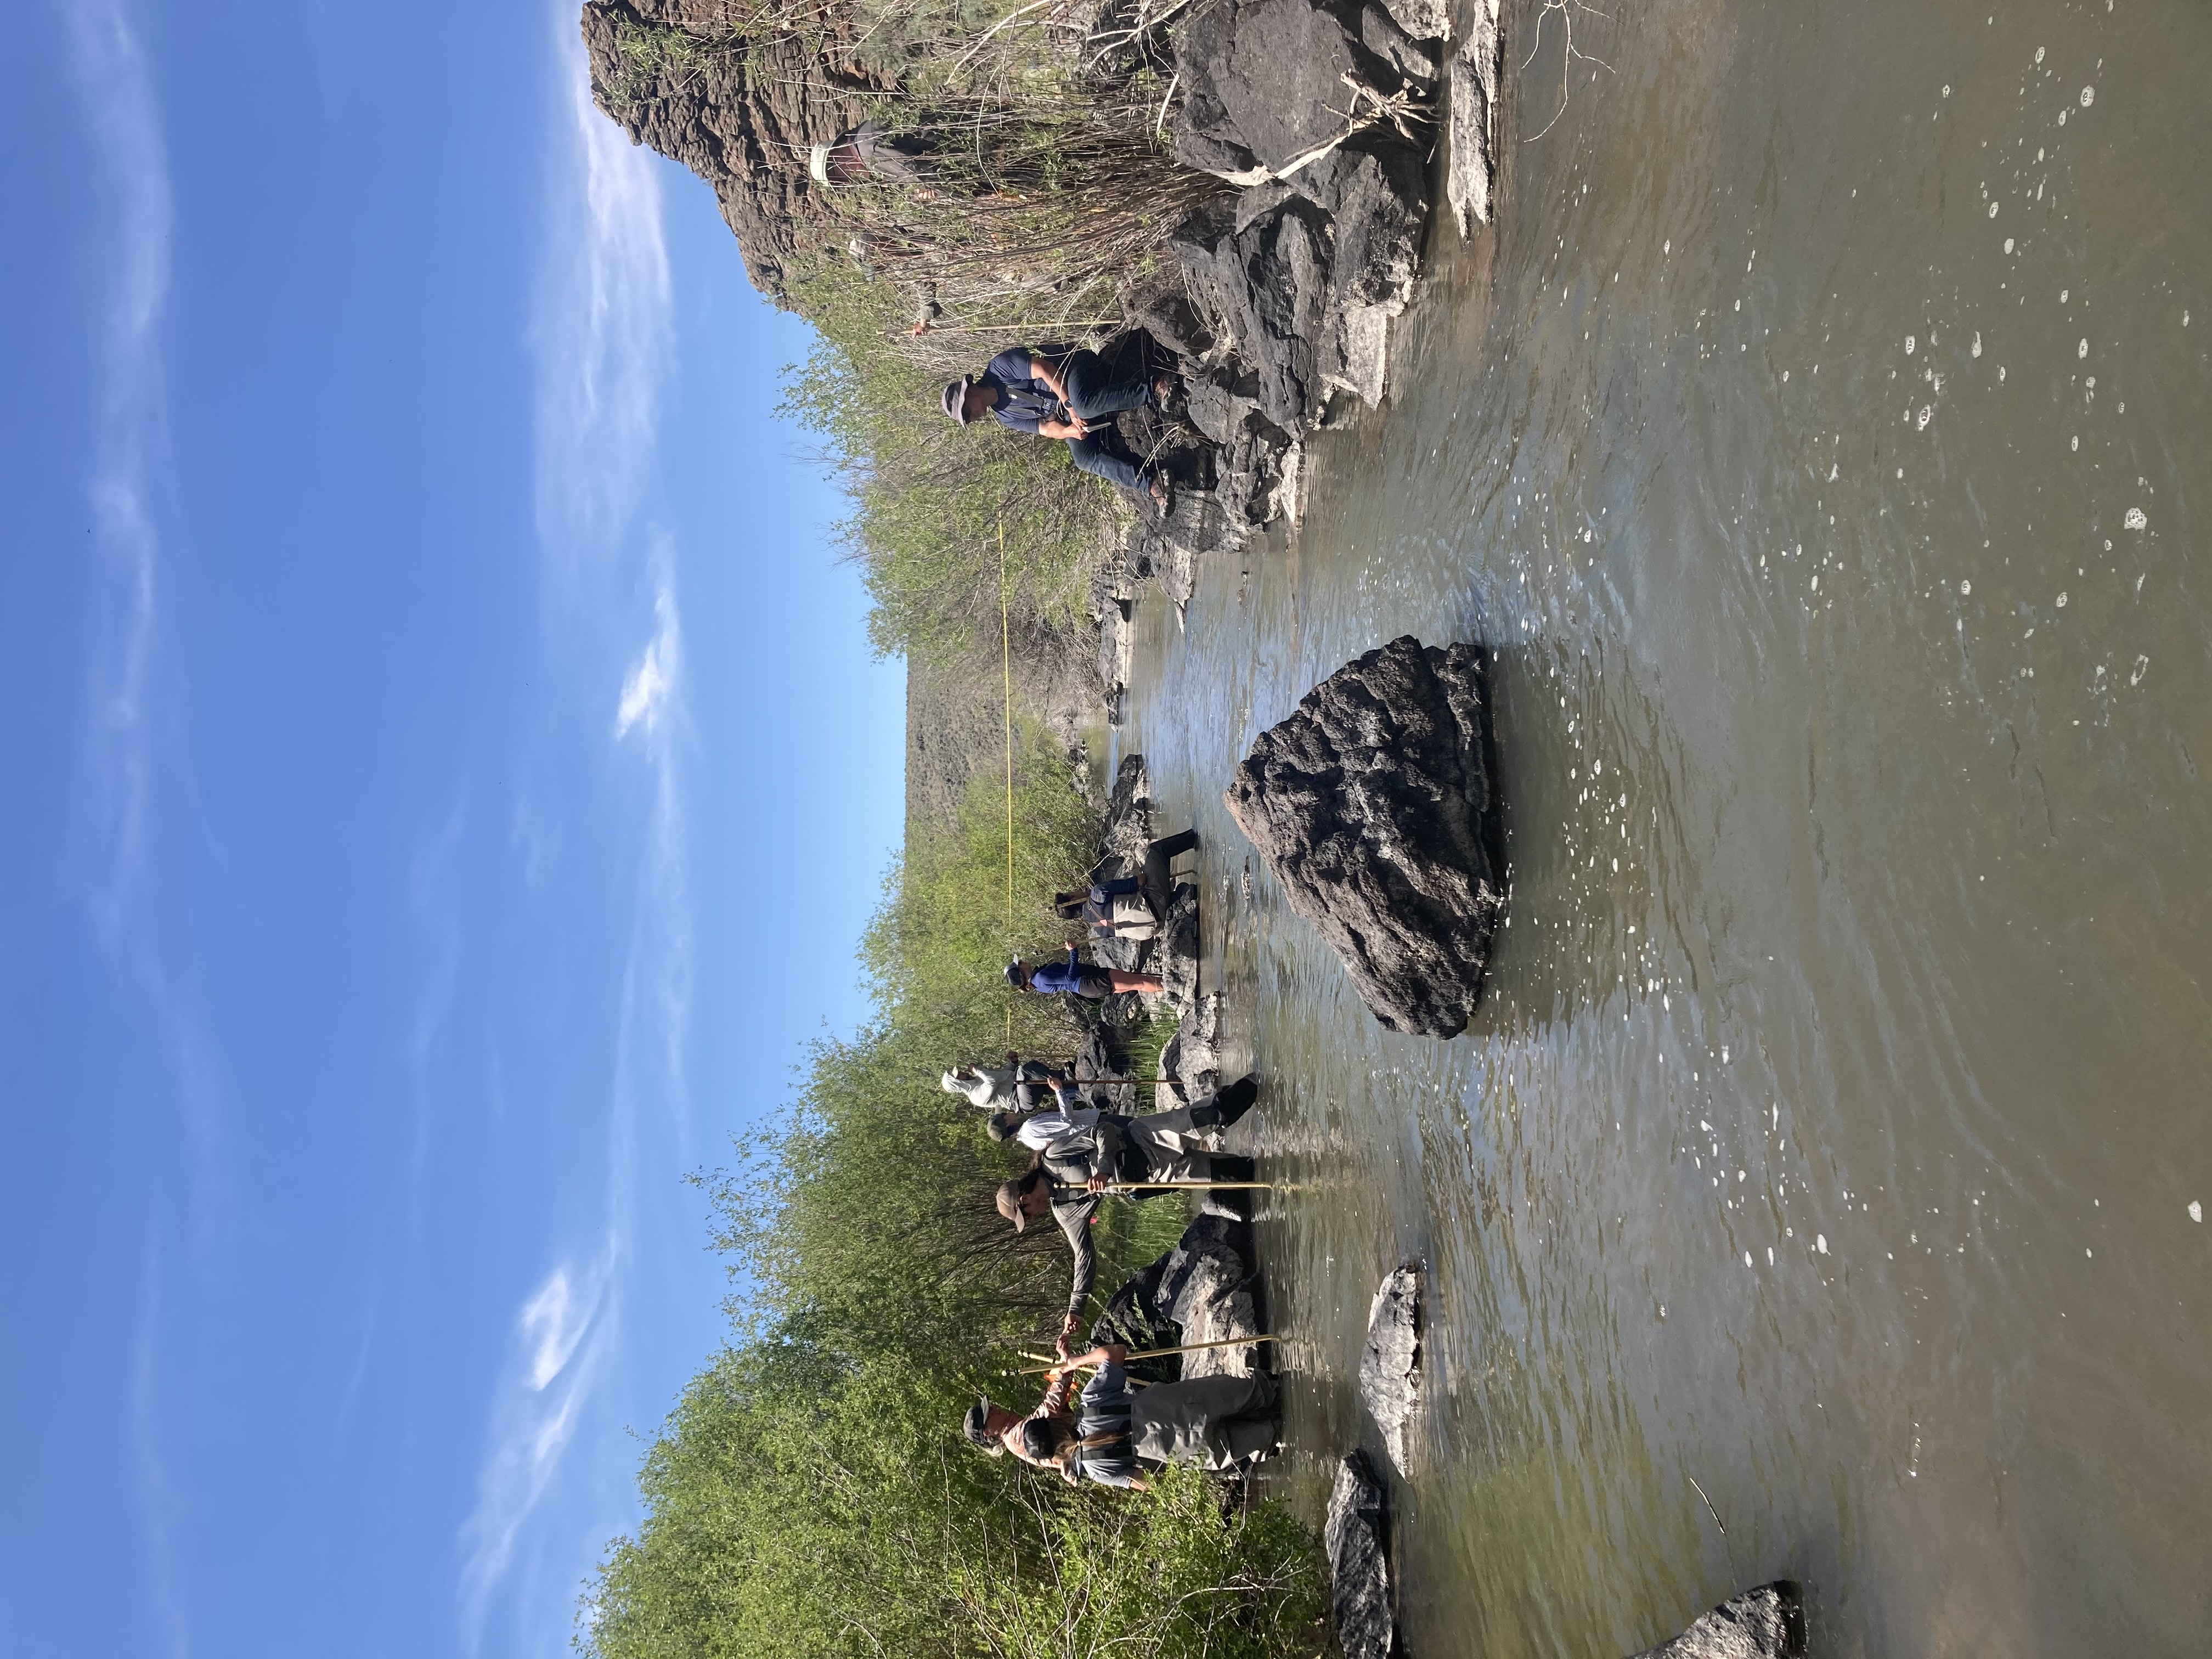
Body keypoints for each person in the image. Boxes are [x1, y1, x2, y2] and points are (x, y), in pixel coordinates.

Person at [995, 1075, 1261, 1354]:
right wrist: (1076, 1307)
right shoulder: (1064, 1210)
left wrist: (1103, 1171)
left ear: (1024, 1199)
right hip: (1153, 1178)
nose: (1034, 1219)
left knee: (1217, 1113)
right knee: (1239, 1175)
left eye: (1027, 1216)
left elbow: (1103, 1131)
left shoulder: (1054, 1156)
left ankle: (1267, 1078)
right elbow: (1083, 1256)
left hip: (1147, 1138)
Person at [1018, 1344, 1279, 1488]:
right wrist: (1076, 1362)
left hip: (1194, 1451)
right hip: (1192, 1404)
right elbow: (1116, 1353)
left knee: (1274, 1432)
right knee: (1268, 1391)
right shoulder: (1090, 1402)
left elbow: (1148, 1483)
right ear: (1052, 1419)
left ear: (1055, 1456)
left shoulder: (1096, 1470)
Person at [941, 344, 1175, 507]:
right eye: (967, 419)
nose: (972, 418)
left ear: (969, 391)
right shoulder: (1005, 416)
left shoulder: (999, 368)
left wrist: (1070, 407)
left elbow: (1045, 370)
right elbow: (1044, 428)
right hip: (1069, 410)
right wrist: (1068, 430)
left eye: (966, 412)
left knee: (1083, 406)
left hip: (1074, 368)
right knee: (1084, 459)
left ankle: (1155, 388)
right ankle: (1151, 484)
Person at [960, 1368, 1075, 1460]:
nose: (994, 1409)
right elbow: (1049, 1409)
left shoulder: (1013, 1436)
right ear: (988, 1433)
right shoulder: (1016, 1438)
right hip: (1079, 1446)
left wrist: (1063, 1402)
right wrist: (1064, 1373)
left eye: (990, 1407)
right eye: (989, 1414)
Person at [1007, 944, 1161, 999]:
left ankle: (1167, 986)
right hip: (1090, 981)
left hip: (1088, 986)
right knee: (1141, 982)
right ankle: (1169, 985)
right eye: (1019, 963)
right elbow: (1070, 977)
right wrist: (1073, 952)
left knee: (1139, 984)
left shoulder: (1038, 983)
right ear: (1020, 972)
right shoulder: (1041, 977)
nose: (1022, 961)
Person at [940, 1053, 1052, 1110]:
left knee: (1049, 1083)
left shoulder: (979, 1079)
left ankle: (1061, 1081)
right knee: (1025, 1071)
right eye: (959, 1076)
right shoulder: (975, 1096)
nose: (961, 1072)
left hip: (1021, 1087)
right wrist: (976, 1070)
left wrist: (1013, 1063)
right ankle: (1061, 1076)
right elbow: (992, 1082)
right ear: (958, 1084)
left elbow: (1004, 1074)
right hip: (1020, 1100)